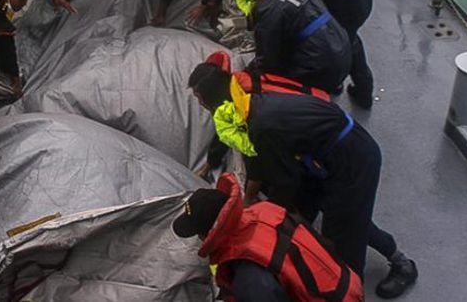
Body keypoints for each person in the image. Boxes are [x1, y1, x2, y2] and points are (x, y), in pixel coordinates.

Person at [188, 60, 418, 298]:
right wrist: (248, 198)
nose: (199, 103)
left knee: (345, 236)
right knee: (332, 216)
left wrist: (266, 219)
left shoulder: (263, 124)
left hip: (352, 160)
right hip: (323, 159)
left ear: (212, 98)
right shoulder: (248, 102)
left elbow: (285, 180)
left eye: (198, 97)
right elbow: (258, 157)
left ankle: (399, 266)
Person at [172, 172, 364, 302]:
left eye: (198, 233)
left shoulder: (249, 276)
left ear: (209, 233)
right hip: (344, 281)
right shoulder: (263, 211)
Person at [232, 0, 351, 93]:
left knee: (273, 81)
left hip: (321, 66)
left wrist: (247, 73)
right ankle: (332, 84)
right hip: (341, 46)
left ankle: (315, 94)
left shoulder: (267, 8)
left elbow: (268, 62)